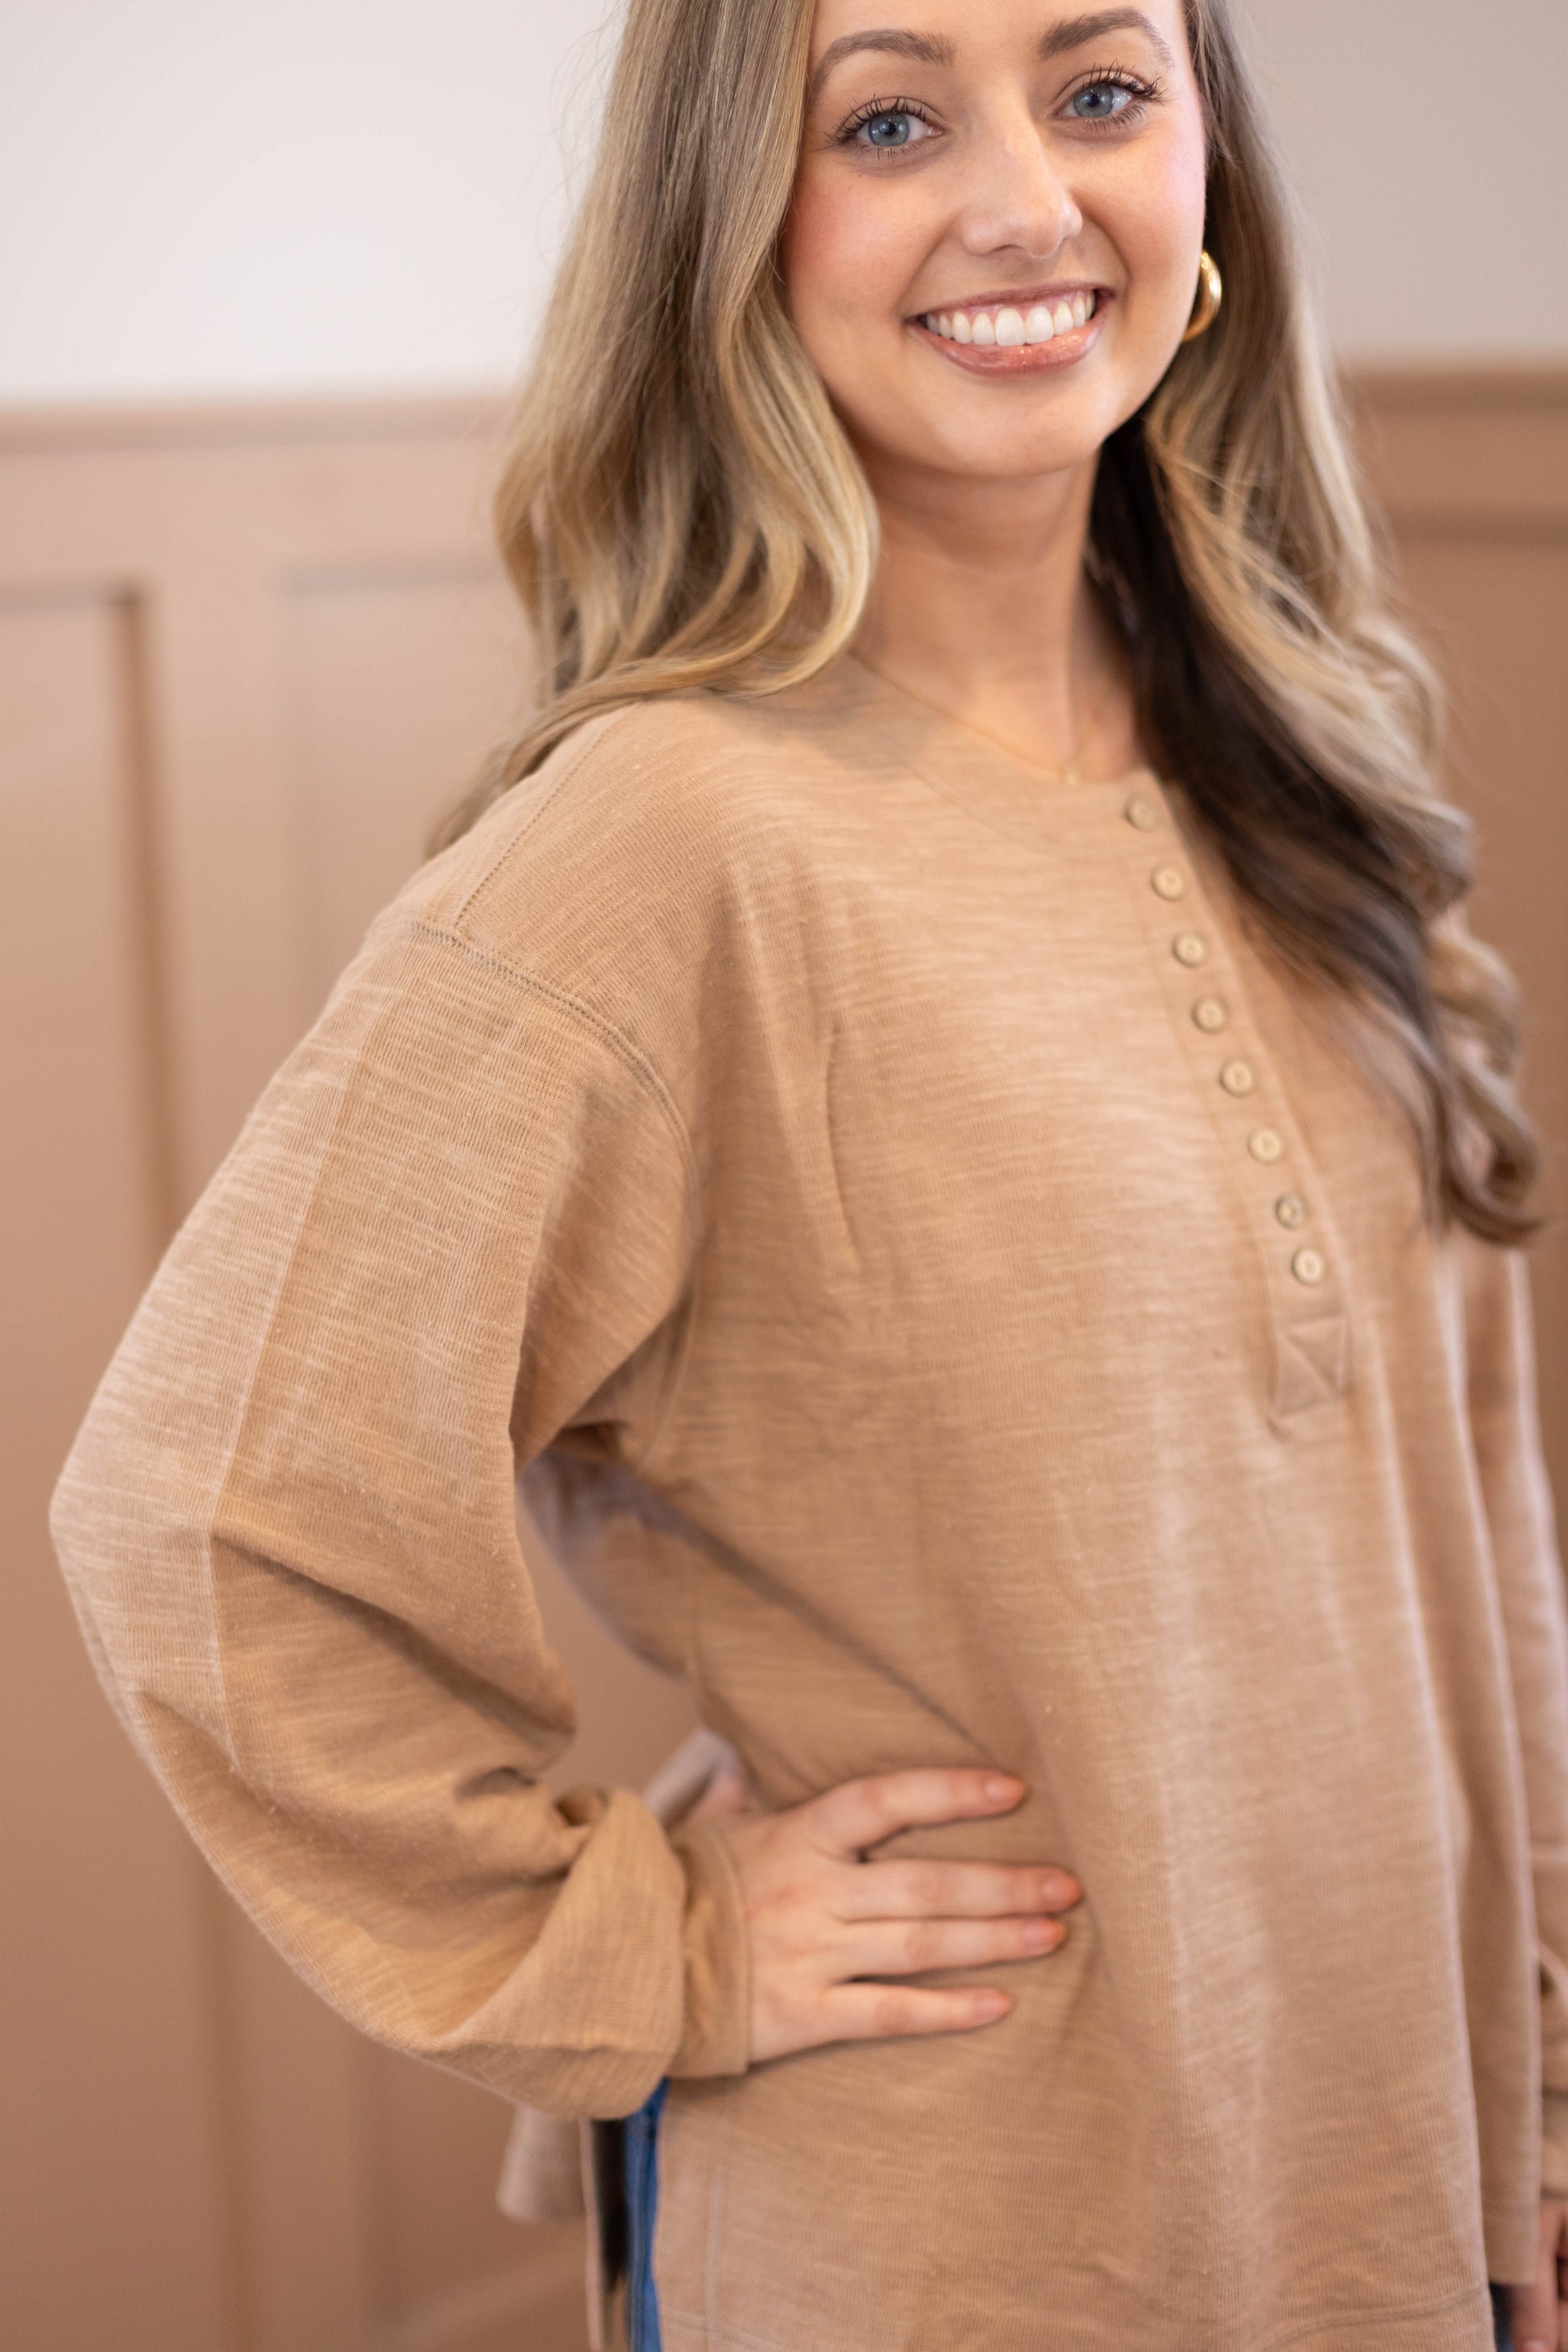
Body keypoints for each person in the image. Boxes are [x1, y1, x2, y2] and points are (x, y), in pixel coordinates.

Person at [49, 0, 1568, 2346]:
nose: (1019, 199)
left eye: (1098, 91)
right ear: (730, 236)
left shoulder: (1308, 780)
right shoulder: (658, 851)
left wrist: (1539, 2100)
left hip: (1384, 2199)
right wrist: (646, 1947)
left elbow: (1474, 1542)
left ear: (1207, 180)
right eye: (885, 119)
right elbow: (206, 1514)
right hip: (965, 2239)